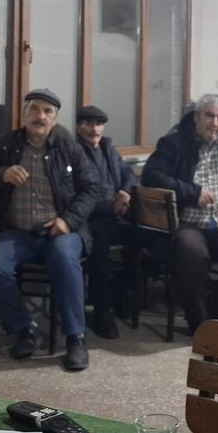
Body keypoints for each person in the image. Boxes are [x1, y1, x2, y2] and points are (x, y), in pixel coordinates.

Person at [0, 89, 100, 371]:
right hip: (18, 232)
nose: (40, 116)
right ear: (24, 113)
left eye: (47, 111)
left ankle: (76, 339)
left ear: (55, 118)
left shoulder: (68, 147)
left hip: (62, 230)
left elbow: (92, 188)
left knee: (64, 258)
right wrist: (2, 174)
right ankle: (24, 329)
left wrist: (67, 220)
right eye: (34, 109)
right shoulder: (5, 144)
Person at [141, 93, 218, 334]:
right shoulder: (173, 143)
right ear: (197, 116)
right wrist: (192, 192)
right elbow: (151, 176)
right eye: (209, 116)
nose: (215, 123)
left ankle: (212, 319)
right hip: (187, 223)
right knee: (194, 255)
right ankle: (198, 324)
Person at [75, 105, 137, 339]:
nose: (95, 129)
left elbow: (128, 173)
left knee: (147, 236)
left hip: (115, 216)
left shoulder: (108, 148)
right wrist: (111, 207)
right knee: (99, 245)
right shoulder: (73, 152)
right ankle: (102, 311)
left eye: (99, 124)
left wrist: (125, 191)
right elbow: (75, 195)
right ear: (79, 127)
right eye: (89, 124)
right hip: (88, 220)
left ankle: (121, 292)